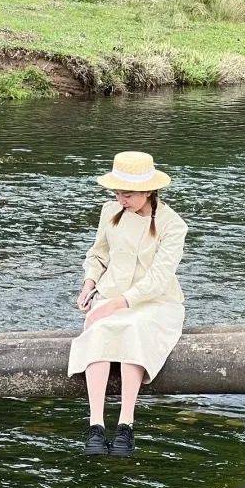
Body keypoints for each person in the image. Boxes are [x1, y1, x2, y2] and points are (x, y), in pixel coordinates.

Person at [67, 149, 188, 458]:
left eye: (129, 194)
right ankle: (95, 424)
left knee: (134, 328)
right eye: (118, 192)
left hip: (155, 302)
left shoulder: (173, 225)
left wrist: (118, 303)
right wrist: (89, 285)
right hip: (110, 294)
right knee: (99, 330)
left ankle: (126, 424)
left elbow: (160, 279)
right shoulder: (109, 212)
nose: (122, 198)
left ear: (148, 190)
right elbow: (98, 255)